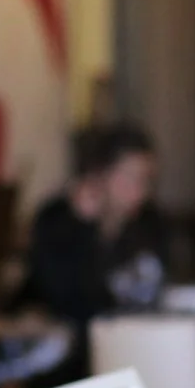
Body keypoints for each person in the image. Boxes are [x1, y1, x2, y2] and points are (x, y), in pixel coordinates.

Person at [22, 123, 165, 327]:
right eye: (130, 177)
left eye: (147, 179)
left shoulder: (150, 223)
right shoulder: (58, 221)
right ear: (99, 174)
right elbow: (61, 301)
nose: (139, 190)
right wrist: (82, 227)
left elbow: (157, 291)